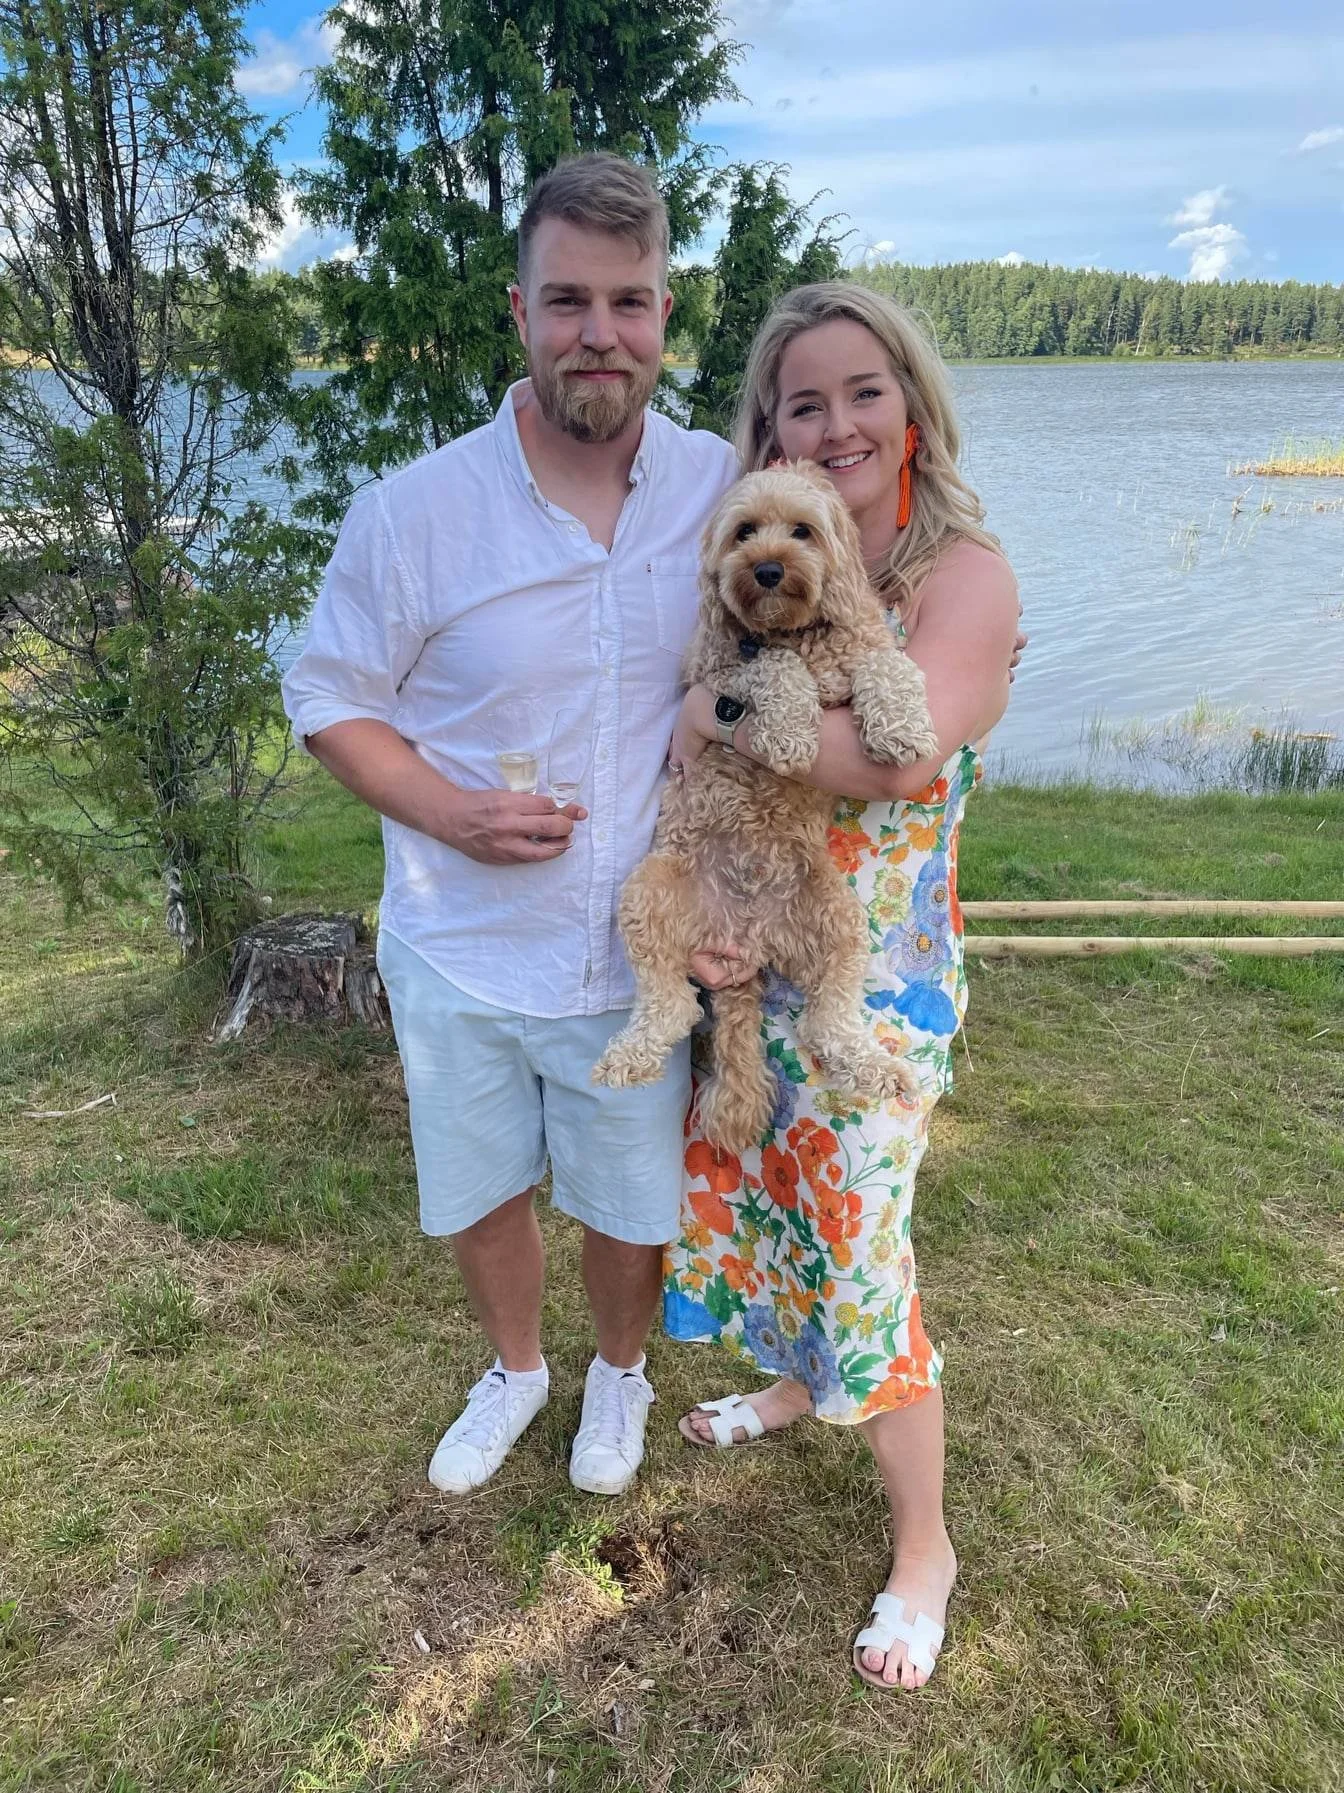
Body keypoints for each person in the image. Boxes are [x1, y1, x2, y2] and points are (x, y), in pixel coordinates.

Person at [281, 154, 739, 1500]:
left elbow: (835, 573)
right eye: (568, 301)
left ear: (665, 314)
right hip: (462, 942)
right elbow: (327, 696)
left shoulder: (718, 484)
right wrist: (451, 814)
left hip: (636, 958)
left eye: (629, 302)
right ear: (520, 311)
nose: (600, 334)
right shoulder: (414, 513)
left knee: (629, 1200)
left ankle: (620, 1375)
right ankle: (518, 1369)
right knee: (482, 1192)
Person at [661, 282, 1020, 1692]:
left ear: (911, 408)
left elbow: (897, 759)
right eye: (802, 403)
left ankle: (925, 1547)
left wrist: (710, 709)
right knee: (771, 1202)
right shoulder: (765, 573)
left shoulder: (961, 579)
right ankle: (794, 1381)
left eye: (864, 390)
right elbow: (716, 763)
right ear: (772, 436)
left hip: (880, 992)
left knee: (867, 1252)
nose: (838, 422)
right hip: (753, 953)